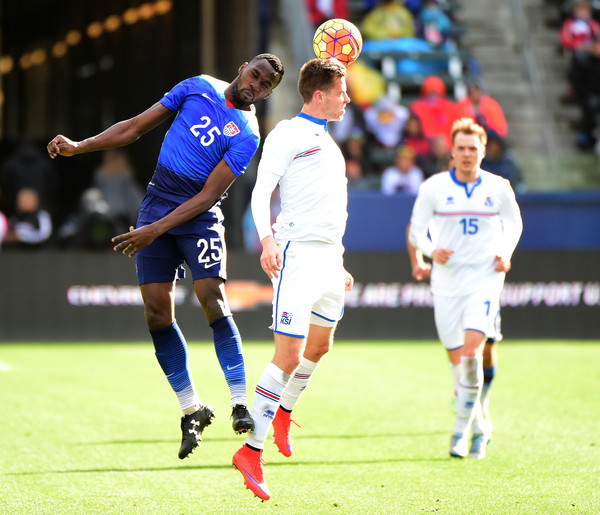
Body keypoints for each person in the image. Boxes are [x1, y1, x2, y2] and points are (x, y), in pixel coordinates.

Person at [47, 53, 284, 460]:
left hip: (199, 218)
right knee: (157, 313)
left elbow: (209, 195)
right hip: (156, 204)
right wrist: (80, 147)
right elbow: (136, 128)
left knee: (212, 296)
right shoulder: (197, 86)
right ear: (243, 66)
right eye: (256, 76)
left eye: (265, 87)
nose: (256, 86)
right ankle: (191, 408)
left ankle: (239, 402)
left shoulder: (247, 133)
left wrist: (156, 230)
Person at [232, 58, 354, 501]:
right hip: (297, 256)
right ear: (319, 94)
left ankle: (282, 412)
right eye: (342, 91)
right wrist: (267, 240)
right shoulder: (287, 133)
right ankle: (250, 451)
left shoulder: (328, 142)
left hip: (328, 258)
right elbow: (261, 191)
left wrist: (337, 260)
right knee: (287, 357)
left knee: (319, 349)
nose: (347, 98)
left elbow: (328, 208)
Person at [408, 118, 522, 459]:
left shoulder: (499, 186)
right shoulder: (434, 187)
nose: (468, 154)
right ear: (452, 152)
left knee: (473, 355)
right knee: (458, 365)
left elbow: (514, 222)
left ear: (483, 151)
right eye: (461, 148)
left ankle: (459, 434)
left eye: (474, 148)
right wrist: (430, 251)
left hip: (485, 279)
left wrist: (506, 251)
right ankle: (480, 422)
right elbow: (416, 230)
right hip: (446, 282)